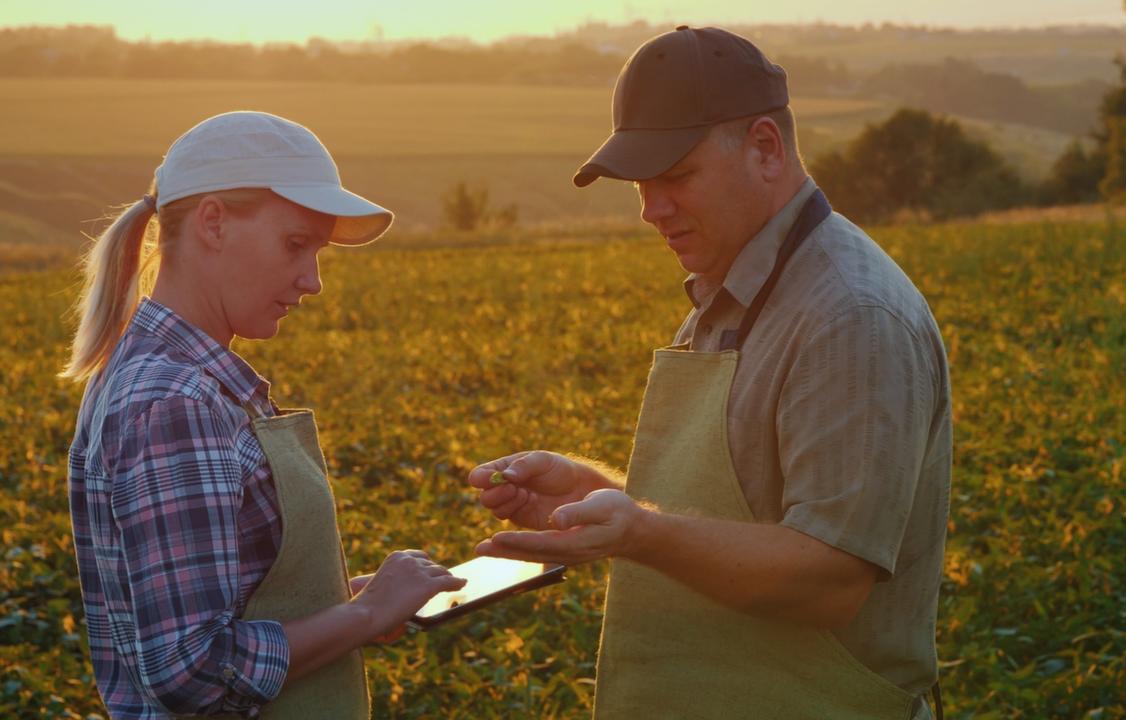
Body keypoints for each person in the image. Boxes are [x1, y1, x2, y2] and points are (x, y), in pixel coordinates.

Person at [467, 26, 951, 719]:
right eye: (640, 183)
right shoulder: (731, 287)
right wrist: (598, 498)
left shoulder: (850, 315)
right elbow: (751, 512)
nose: (649, 209)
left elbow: (828, 578)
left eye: (676, 176)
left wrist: (640, 533)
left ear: (764, 148)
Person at [63, 111, 465, 719]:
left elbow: (225, 606)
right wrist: (366, 613)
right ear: (214, 222)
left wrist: (350, 609)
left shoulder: (159, 375)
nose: (314, 281)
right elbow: (191, 668)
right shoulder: (176, 400)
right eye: (296, 244)